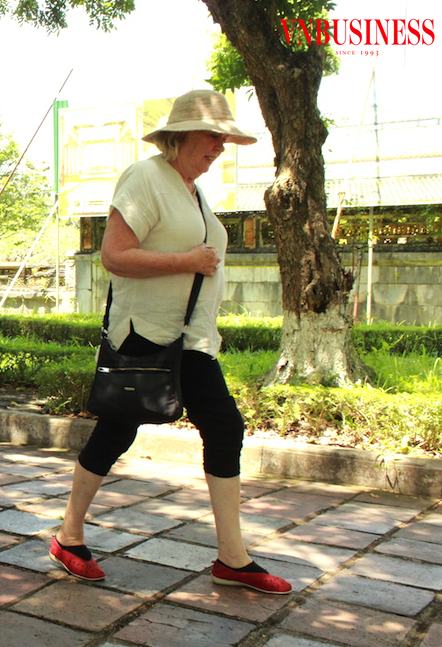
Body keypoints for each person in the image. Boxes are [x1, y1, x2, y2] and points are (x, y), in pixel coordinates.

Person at [50, 90, 292, 595]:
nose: (220, 147)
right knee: (118, 432)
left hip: (192, 338)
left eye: (225, 139)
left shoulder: (193, 190)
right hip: (147, 333)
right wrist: (186, 261)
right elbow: (114, 256)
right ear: (179, 136)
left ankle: (232, 556)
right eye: (212, 137)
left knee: (223, 427)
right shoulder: (145, 177)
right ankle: (69, 535)